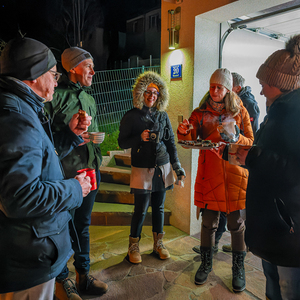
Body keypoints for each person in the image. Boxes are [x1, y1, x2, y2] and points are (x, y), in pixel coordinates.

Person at [0, 37, 92, 299]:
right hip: (28, 258)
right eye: (52, 74)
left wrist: (69, 137)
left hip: (29, 249)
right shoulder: (16, 118)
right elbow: (20, 197)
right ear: (32, 75)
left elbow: (39, 157)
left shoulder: (20, 107)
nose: (56, 80)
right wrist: (76, 188)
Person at [177, 68, 254, 292]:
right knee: (208, 222)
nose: (214, 90)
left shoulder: (240, 111)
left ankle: (238, 269)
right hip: (209, 172)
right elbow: (190, 137)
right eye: (212, 86)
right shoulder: (200, 112)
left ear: (228, 89)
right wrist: (185, 131)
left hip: (234, 172)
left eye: (219, 87)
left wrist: (234, 137)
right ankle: (205, 263)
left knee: (236, 224)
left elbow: (250, 140)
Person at [237, 34, 300, 299]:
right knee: (273, 285)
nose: (260, 89)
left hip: (288, 229)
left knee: (288, 291)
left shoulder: (294, 114)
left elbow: (294, 170)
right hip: (275, 226)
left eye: (264, 83)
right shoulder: (278, 111)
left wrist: (252, 157)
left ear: (279, 83)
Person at [45, 47, 107, 299]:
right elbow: (46, 141)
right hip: (66, 175)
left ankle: (83, 276)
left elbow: (94, 133)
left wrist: (97, 157)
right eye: (88, 65)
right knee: (61, 228)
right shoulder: (54, 97)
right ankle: (62, 282)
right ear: (72, 68)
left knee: (83, 225)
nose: (92, 70)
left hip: (90, 170)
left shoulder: (89, 98)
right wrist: (69, 138)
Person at [118, 71, 186, 264]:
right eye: (148, 92)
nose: (151, 96)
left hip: (162, 166)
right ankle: (133, 246)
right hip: (141, 167)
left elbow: (171, 142)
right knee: (140, 209)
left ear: (159, 96)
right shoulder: (131, 116)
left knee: (159, 207)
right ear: (141, 93)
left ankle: (159, 244)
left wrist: (176, 166)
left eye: (155, 93)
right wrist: (140, 138)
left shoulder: (163, 116)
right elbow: (122, 142)